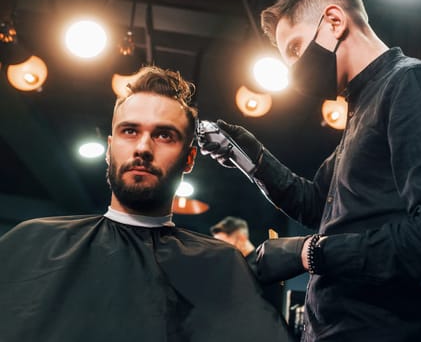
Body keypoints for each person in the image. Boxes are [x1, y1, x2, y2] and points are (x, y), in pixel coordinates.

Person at [199, 0, 421, 341]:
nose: (292, 68)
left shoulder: (411, 84)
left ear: (334, 22)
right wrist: (250, 157)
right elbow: (317, 204)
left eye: (294, 48)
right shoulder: (362, 107)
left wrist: (310, 253)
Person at [0, 66, 292, 342]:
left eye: (164, 135)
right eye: (130, 131)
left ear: (189, 159)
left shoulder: (221, 267)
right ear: (110, 148)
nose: (142, 148)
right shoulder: (32, 242)